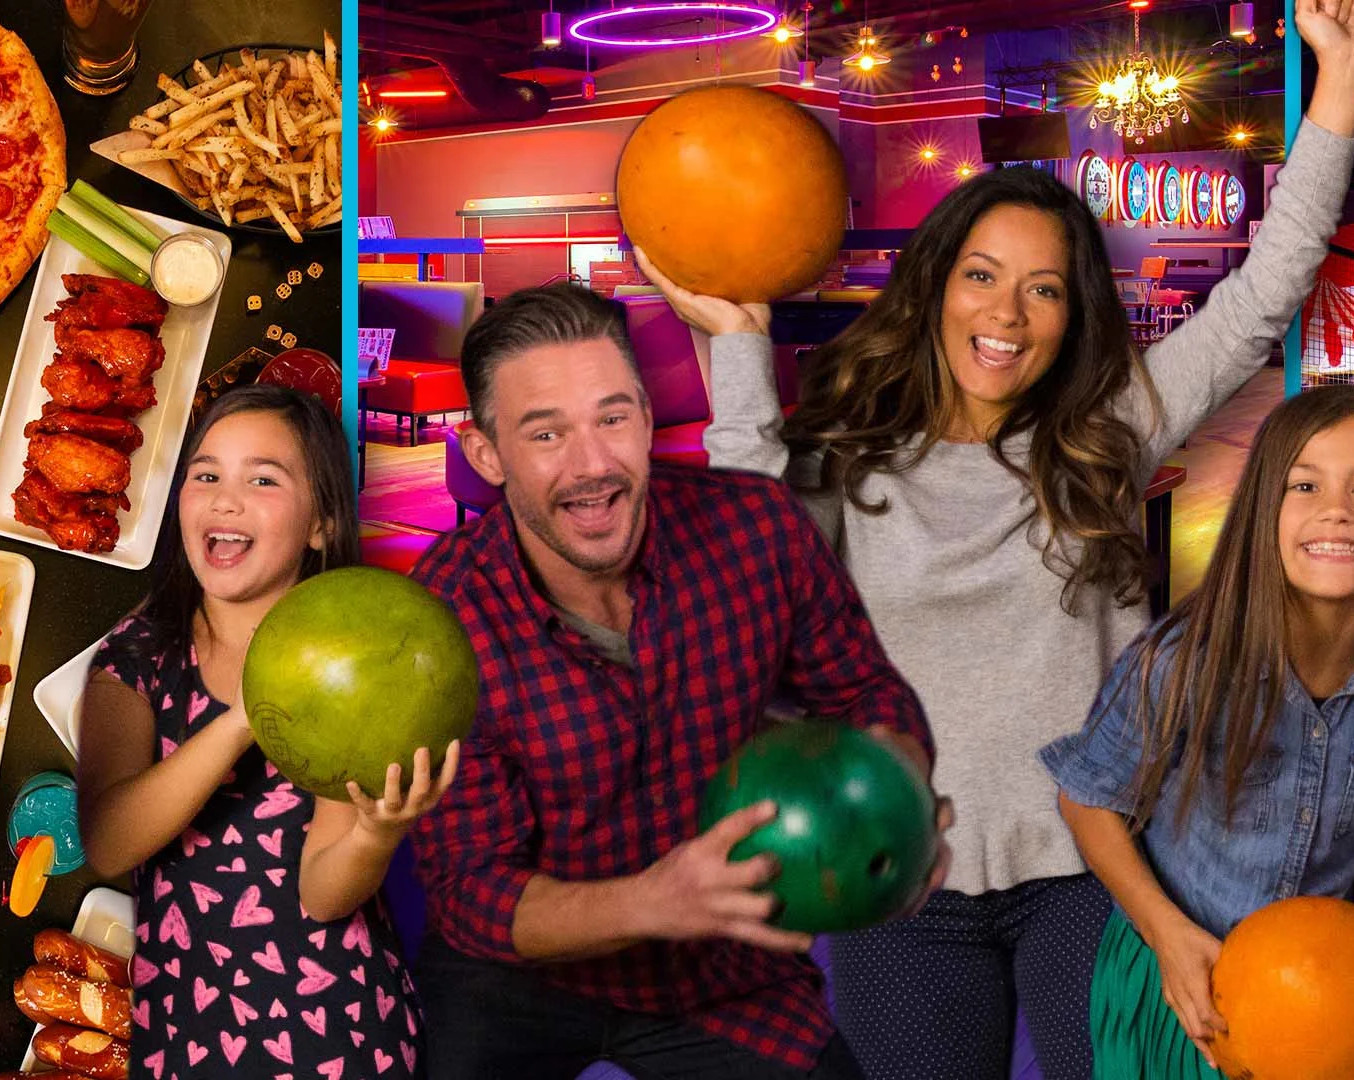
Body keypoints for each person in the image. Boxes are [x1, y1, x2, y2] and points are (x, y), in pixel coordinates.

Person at [634, 1, 1354, 1074]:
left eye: (1044, 290)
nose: (1008, 314)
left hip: (1100, 865)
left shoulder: (1109, 430)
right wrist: (740, 347)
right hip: (899, 869)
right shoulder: (852, 452)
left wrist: (1339, 78)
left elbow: (1264, 292)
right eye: (982, 275)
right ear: (936, 285)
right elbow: (758, 575)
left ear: (1073, 316)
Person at [405, 283, 950, 1080]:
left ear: (647, 416)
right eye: (547, 433)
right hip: (519, 973)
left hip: (721, 964)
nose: (594, 465)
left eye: (612, 418)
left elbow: (864, 690)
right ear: (485, 454)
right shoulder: (441, 615)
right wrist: (653, 900)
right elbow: (471, 888)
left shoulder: (756, 527)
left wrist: (899, 784)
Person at [1041, 386, 1354, 1078]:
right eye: (1305, 485)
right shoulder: (1182, 662)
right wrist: (1167, 934)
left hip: (1318, 999)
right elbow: (1087, 798)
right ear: (1263, 514)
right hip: (1177, 979)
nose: (1337, 509)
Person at [76, 385, 445, 1080]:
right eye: (206, 474)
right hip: (189, 1040)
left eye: (263, 480)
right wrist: (246, 716)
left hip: (343, 1036)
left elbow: (323, 894)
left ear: (321, 524)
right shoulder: (138, 653)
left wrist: (376, 833)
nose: (225, 499)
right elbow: (109, 841)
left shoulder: (349, 660)